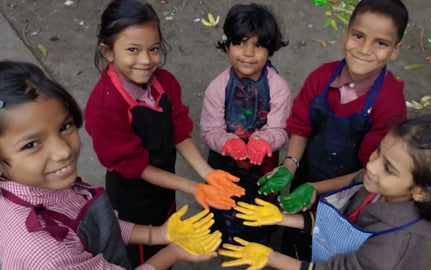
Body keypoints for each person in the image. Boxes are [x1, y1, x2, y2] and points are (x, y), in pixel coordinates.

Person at [0, 60, 223, 270]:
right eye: (31, 144)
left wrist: (161, 235)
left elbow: (101, 227)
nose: (63, 151)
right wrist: (173, 252)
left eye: (65, 126)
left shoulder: (44, 183)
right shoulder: (48, 256)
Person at [84, 0, 244, 266]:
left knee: (168, 227)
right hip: (131, 197)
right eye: (133, 50)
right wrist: (194, 187)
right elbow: (136, 167)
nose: (146, 60)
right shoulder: (105, 107)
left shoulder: (165, 82)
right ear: (108, 51)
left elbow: (179, 132)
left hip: (164, 184)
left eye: (154, 49)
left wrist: (208, 174)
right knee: (142, 252)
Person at [219, 114, 431, 270]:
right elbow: (340, 227)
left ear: (421, 191)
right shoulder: (376, 186)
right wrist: (281, 218)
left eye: (388, 168)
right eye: (378, 151)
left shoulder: (395, 243)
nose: (371, 165)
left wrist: (272, 257)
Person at [257, 0, 409, 259]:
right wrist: (290, 166)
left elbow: (371, 170)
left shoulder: (390, 102)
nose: (364, 49)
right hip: (306, 172)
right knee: (295, 234)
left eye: (380, 43)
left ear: (395, 50)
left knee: (328, 244)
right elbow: (301, 127)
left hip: (350, 190)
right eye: (358, 36)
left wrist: (318, 188)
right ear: (346, 34)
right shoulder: (320, 77)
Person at [200, 3, 291, 244]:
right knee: (224, 207)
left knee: (258, 210)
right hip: (225, 164)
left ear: (270, 49)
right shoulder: (217, 88)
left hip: (263, 167)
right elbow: (209, 131)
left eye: (258, 45)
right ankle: (221, 239)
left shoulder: (278, 88)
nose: (248, 53)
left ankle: (257, 241)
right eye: (240, 43)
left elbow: (280, 131)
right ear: (226, 43)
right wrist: (227, 142)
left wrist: (265, 140)